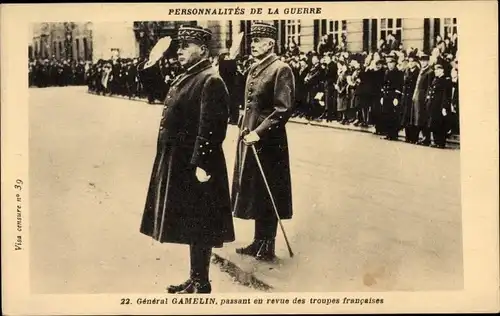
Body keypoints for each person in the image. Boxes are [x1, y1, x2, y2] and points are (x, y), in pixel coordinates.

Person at [138, 25, 235, 294]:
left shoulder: (209, 79)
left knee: (201, 223)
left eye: (185, 46)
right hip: (182, 162)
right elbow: (160, 95)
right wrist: (151, 63)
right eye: (178, 46)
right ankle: (196, 278)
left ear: (202, 50)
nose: (179, 51)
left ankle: (201, 282)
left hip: (197, 164)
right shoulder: (188, 76)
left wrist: (202, 163)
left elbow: (212, 127)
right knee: (194, 222)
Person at [231, 22, 295, 262]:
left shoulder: (281, 68)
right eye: (253, 40)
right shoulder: (255, 68)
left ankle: (268, 245)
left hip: (269, 141)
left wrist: (259, 132)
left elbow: (283, 108)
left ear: (271, 43)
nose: (253, 44)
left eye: (258, 40)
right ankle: (258, 240)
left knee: (269, 189)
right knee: (256, 189)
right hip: (249, 136)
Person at [424, 63, 451, 148]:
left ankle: (441, 142)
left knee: (440, 124)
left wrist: (444, 107)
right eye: (435, 70)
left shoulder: (445, 80)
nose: (435, 71)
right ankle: (436, 141)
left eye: (437, 70)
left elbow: (445, 95)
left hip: (439, 105)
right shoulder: (435, 79)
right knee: (434, 124)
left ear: (441, 70)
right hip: (433, 105)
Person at [410, 53, 434, 146]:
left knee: (423, 118)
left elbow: (429, 86)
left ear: (428, 61)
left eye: (425, 61)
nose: (423, 63)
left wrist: (427, 97)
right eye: (422, 61)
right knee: (417, 118)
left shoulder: (429, 71)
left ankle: (426, 138)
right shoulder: (421, 70)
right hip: (417, 95)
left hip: (422, 96)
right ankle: (422, 137)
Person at [400, 55, 420, 143]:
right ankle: (407, 137)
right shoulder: (406, 71)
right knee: (406, 117)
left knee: (413, 117)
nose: (411, 63)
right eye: (409, 62)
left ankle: (414, 137)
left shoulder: (418, 72)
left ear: (416, 62)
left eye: (412, 61)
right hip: (406, 97)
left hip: (413, 96)